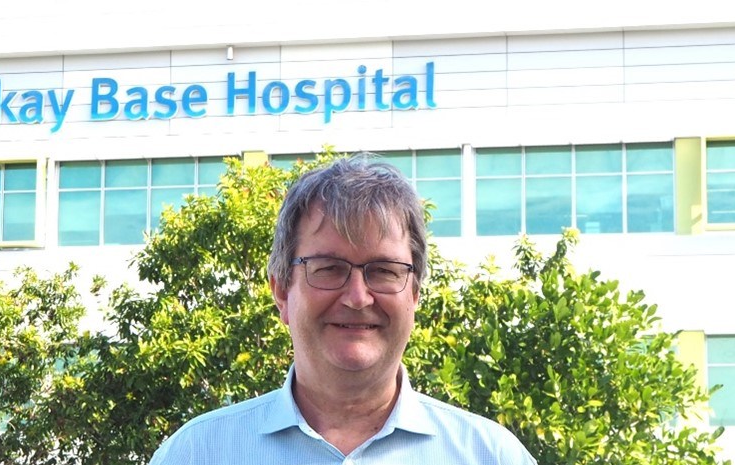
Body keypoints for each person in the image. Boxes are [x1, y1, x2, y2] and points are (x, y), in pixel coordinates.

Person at [149, 154, 537, 464]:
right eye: (329, 268)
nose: (357, 297)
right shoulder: (196, 453)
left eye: (383, 270)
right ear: (282, 291)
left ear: (415, 294)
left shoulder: (491, 456)